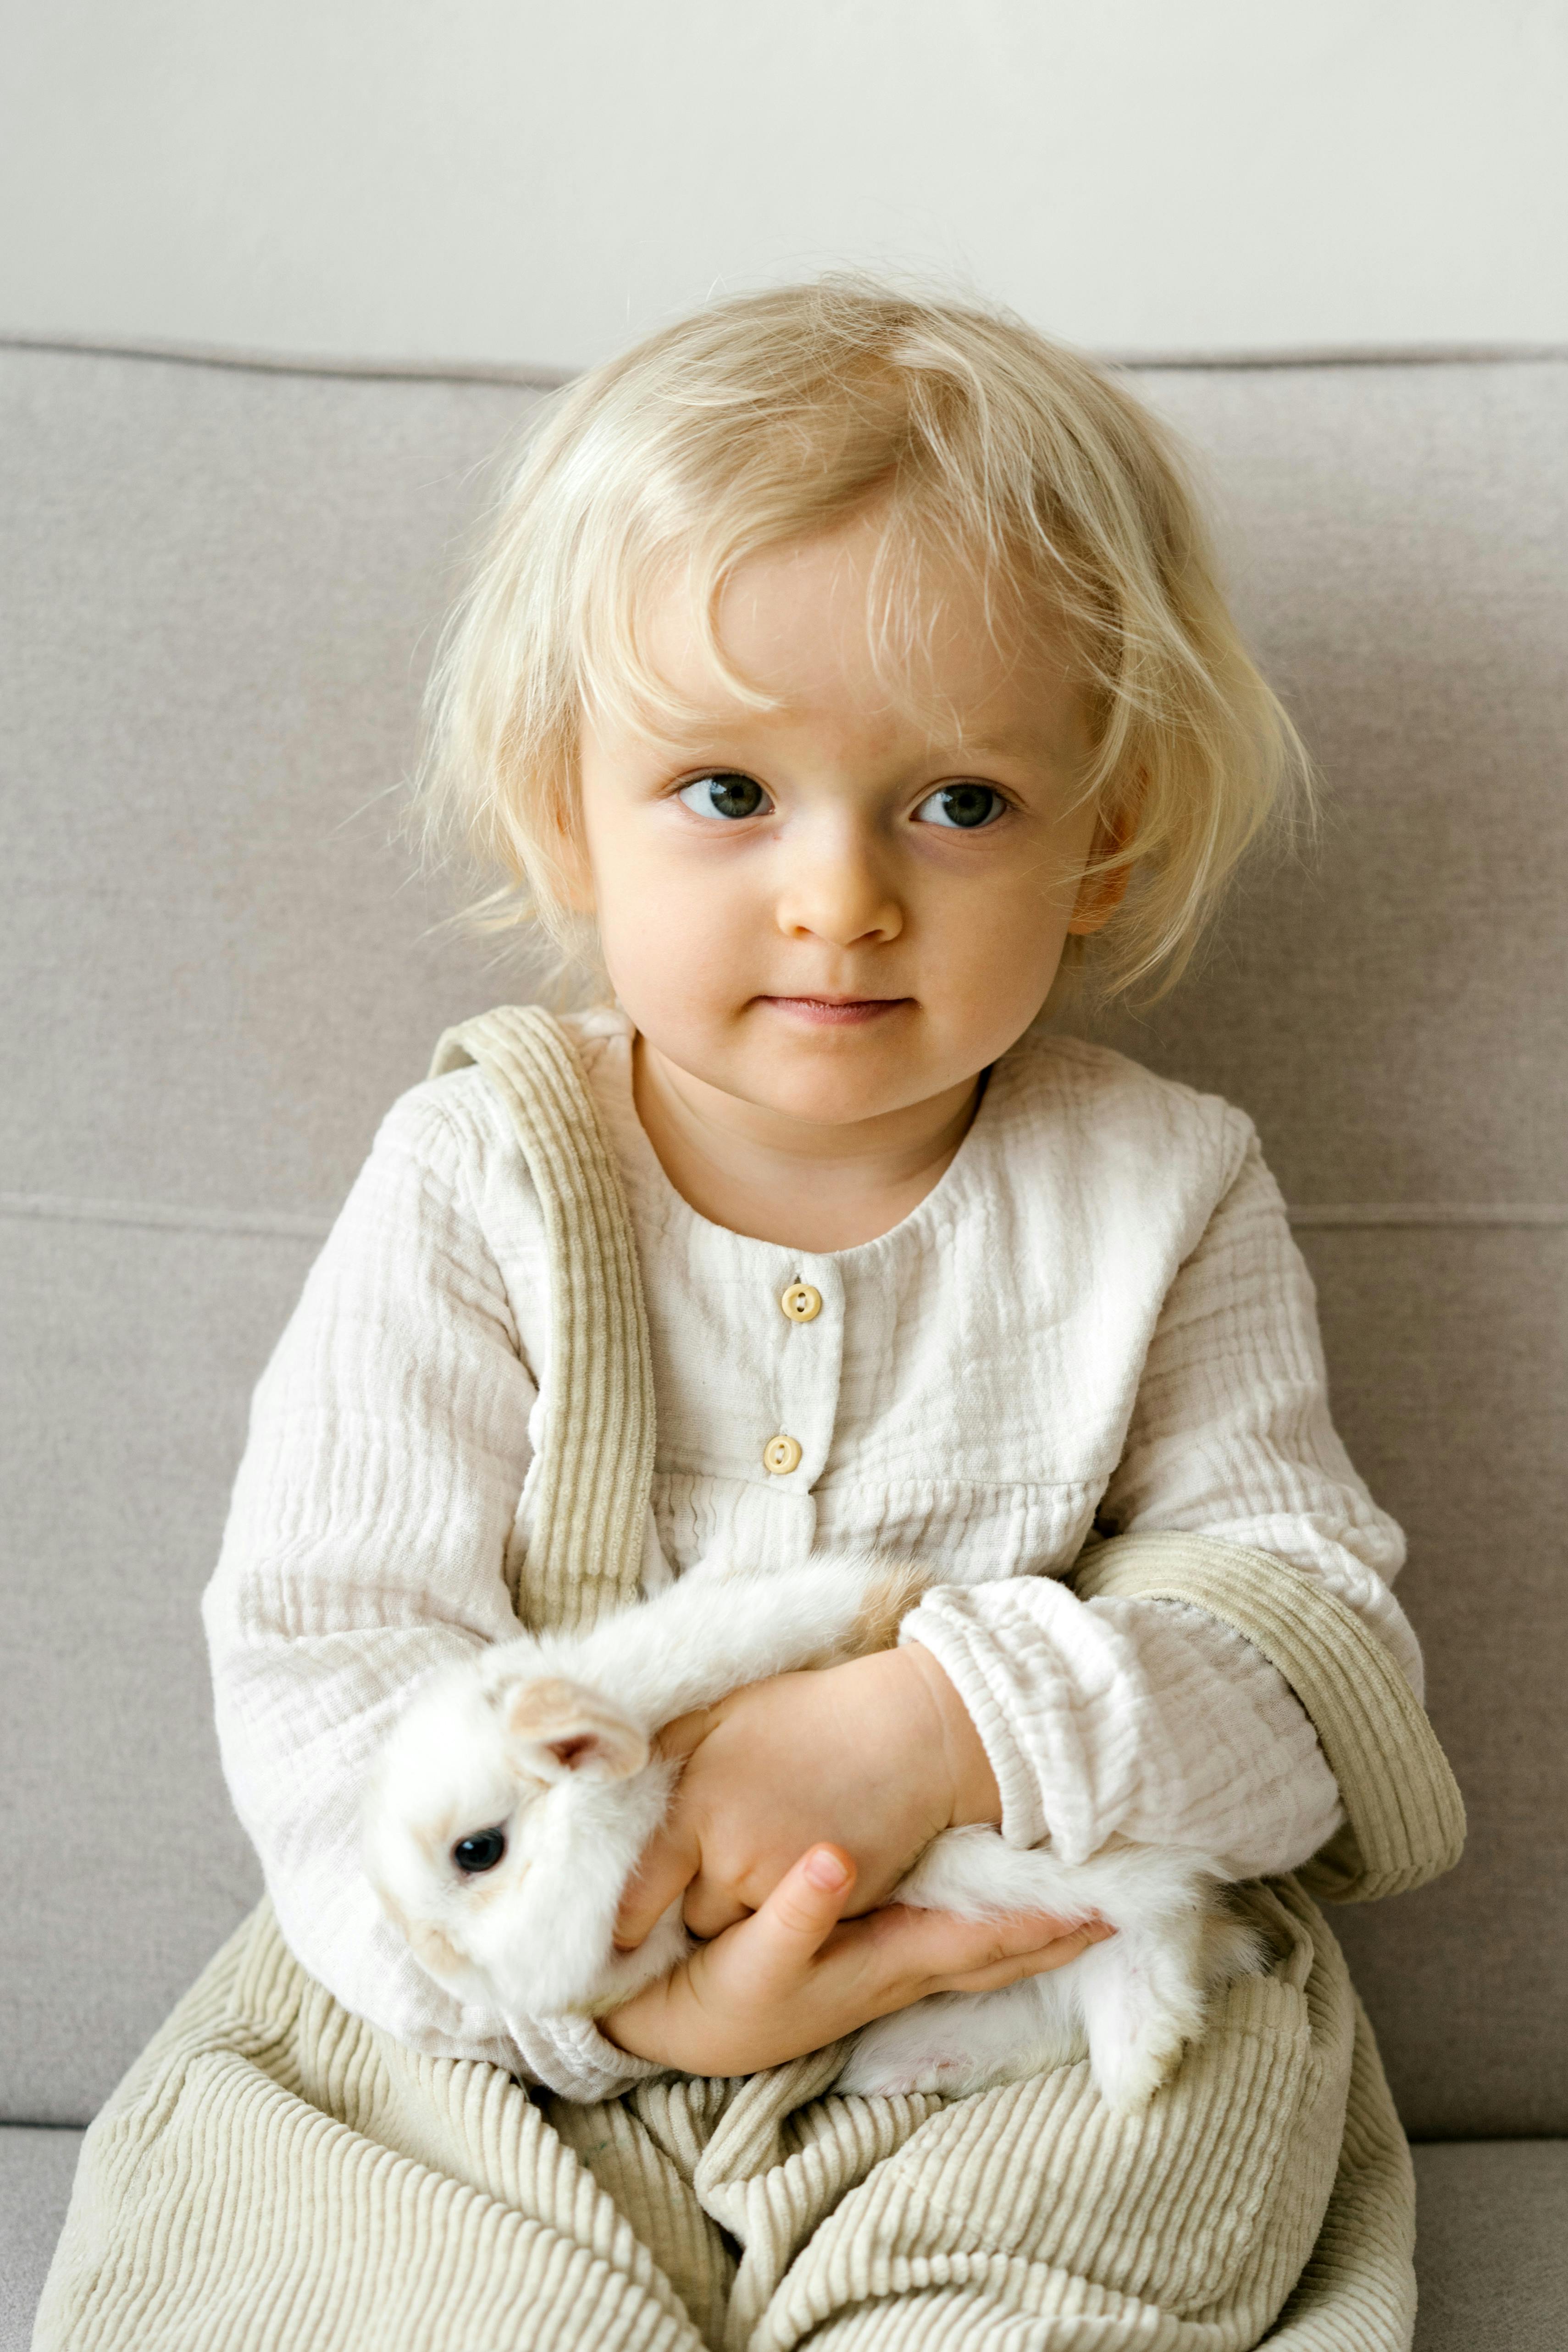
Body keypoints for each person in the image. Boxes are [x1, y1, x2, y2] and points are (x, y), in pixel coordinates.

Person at [39, 279, 1453, 2352]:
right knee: (354, 2255)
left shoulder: (1165, 1189)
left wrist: (929, 1725)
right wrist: (594, 1985)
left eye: (959, 802)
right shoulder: (484, 1178)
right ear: (564, 806)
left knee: (1125, 2193)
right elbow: (328, 1665)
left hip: (1011, 2009)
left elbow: (1310, 1646)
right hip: (500, 2043)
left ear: (1101, 840)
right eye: (726, 791)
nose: (840, 895)